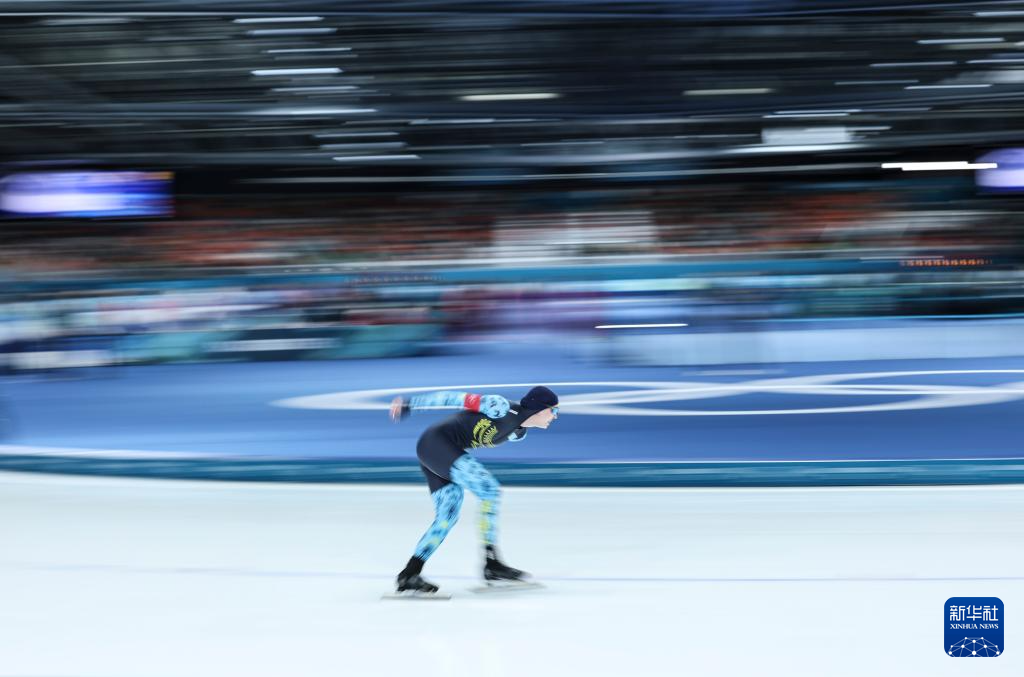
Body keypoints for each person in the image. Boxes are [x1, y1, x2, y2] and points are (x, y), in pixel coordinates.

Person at [388, 385, 559, 594]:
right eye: (554, 410)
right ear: (539, 408)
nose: (555, 416)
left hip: (439, 453)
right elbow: (453, 398)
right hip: (436, 444)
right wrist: (409, 405)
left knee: (447, 516)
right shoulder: (500, 407)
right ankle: (492, 564)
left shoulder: (518, 433)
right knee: (489, 490)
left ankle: (410, 573)